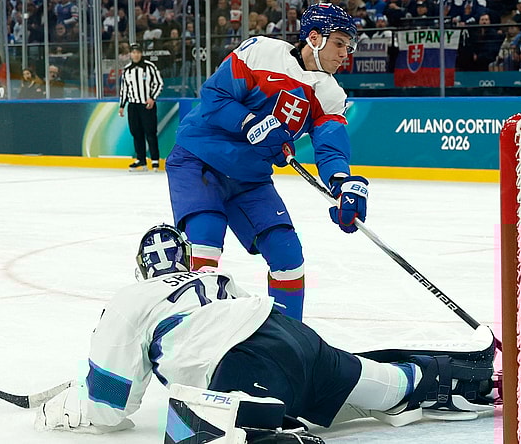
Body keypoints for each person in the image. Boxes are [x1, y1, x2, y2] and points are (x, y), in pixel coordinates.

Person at [33, 224, 495, 441]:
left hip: (245, 364)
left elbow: (111, 407)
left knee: (188, 429)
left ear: (140, 270)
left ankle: (264, 432)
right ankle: (473, 379)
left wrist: (70, 409)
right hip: (296, 338)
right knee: (392, 385)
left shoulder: (129, 299)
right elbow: (246, 322)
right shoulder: (213, 279)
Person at [165, 3, 370, 322]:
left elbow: (330, 145)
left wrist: (342, 183)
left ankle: (290, 342)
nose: (345, 53)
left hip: (249, 177)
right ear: (314, 38)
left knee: (288, 255)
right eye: (339, 43)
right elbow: (214, 96)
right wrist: (249, 122)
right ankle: (191, 336)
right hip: (200, 159)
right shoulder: (260, 51)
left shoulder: (329, 93)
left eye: (348, 46)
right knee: (205, 244)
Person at [119, 43, 164, 172]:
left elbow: (159, 83)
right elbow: (124, 89)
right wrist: (122, 105)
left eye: (138, 52)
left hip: (146, 105)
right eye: (133, 52)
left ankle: (155, 159)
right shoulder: (127, 70)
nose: (136, 54)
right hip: (133, 105)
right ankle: (141, 159)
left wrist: (152, 98)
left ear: (141, 54)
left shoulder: (150, 67)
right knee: (136, 132)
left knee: (150, 132)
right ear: (130, 54)